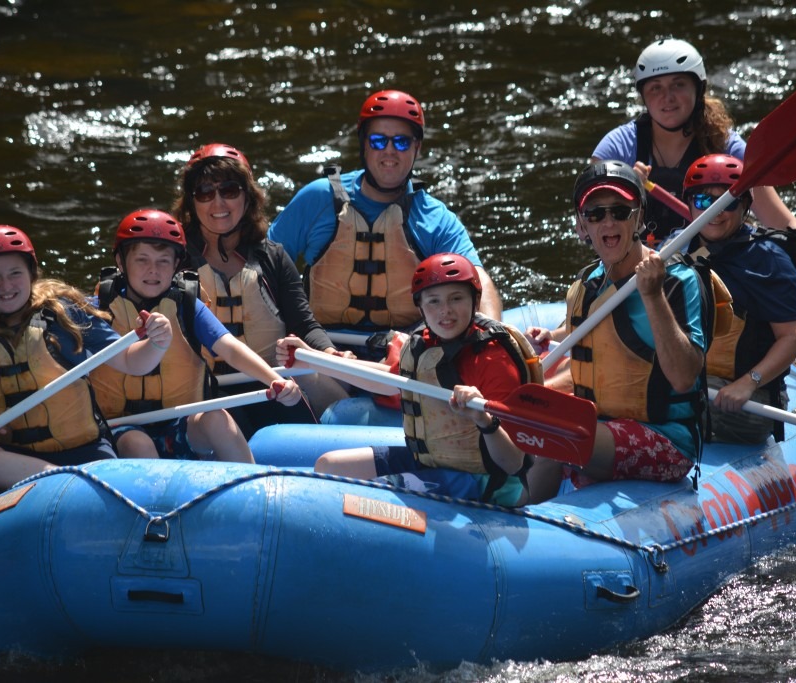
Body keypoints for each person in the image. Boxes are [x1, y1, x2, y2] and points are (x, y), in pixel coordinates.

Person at [590, 37, 796, 322]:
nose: (668, 97)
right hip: (638, 263)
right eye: (656, 88)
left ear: (698, 89)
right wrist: (627, 190)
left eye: (678, 84)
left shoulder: (729, 148)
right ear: (643, 96)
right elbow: (588, 225)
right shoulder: (617, 149)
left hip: (709, 263)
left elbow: (779, 220)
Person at [0, 225, 174, 505]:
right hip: (11, 469)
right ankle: (63, 484)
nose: (6, 286)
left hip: (85, 456)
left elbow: (132, 362)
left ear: (31, 273)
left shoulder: (65, 318)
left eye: (15, 273)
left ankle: (67, 486)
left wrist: (157, 343)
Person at [276, 254, 540, 507]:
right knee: (329, 465)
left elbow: (513, 463)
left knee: (370, 498)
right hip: (431, 462)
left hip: (484, 481)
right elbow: (384, 380)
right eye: (433, 301)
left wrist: (484, 420)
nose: (445, 311)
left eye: (456, 298)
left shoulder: (494, 361)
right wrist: (311, 359)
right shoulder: (423, 347)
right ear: (421, 307)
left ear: (475, 300)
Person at [525, 161, 706, 502]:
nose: (608, 222)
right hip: (599, 426)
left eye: (620, 211)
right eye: (595, 214)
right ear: (582, 225)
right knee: (523, 425)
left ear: (638, 218)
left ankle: (520, 531)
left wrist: (652, 295)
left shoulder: (675, 282)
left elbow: (683, 378)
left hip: (665, 439)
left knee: (555, 435)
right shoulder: (586, 284)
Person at [268, 89, 503, 334]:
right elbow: (263, 267)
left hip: (403, 352)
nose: (389, 151)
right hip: (320, 347)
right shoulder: (317, 198)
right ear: (364, 145)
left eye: (401, 142)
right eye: (378, 141)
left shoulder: (435, 218)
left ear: (417, 148)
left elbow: (477, 280)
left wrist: (494, 335)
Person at [90, 209, 303, 462]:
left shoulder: (187, 305)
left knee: (218, 418)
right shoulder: (95, 310)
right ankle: (160, 501)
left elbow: (230, 348)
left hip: (181, 421)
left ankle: (252, 487)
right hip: (121, 427)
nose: (153, 270)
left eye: (163, 261)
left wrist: (274, 380)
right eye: (142, 260)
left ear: (177, 265)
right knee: (139, 444)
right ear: (121, 262)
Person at [171, 143, 348, 432]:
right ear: (192, 203)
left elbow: (304, 324)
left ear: (247, 196)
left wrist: (330, 353)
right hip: (205, 392)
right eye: (205, 193)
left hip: (272, 383)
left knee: (324, 405)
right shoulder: (173, 260)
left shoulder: (272, 256)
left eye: (229, 191)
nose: (218, 204)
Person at [682, 155, 796, 443]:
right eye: (703, 201)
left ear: (745, 206)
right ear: (688, 204)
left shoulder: (768, 261)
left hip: (749, 400)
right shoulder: (676, 249)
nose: (715, 212)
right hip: (690, 381)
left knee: (665, 401)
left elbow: (793, 338)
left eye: (727, 203)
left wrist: (747, 383)